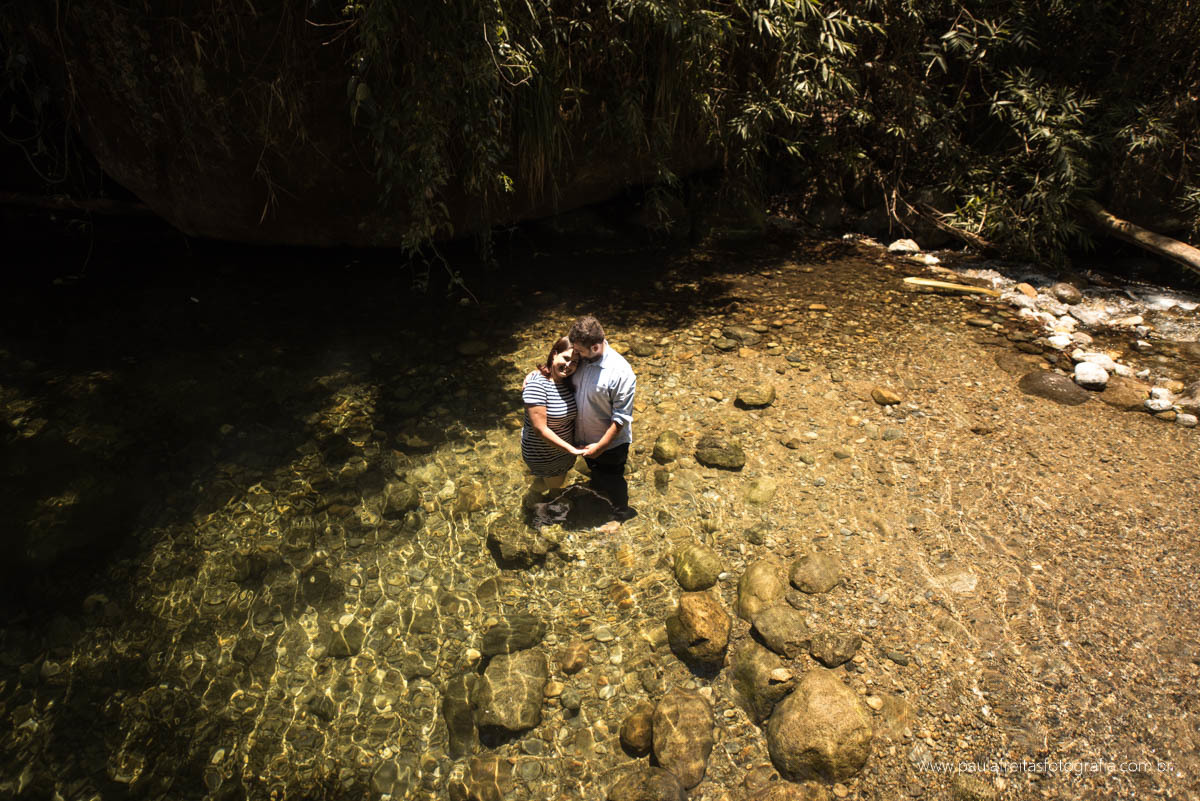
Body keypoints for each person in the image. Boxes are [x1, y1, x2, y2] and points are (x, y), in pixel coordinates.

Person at [569, 315, 637, 520]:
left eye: (579, 350)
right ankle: (598, 490)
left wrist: (600, 447)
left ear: (596, 347)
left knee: (614, 479)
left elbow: (620, 419)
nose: (575, 354)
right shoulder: (581, 356)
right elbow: (556, 363)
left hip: (610, 445)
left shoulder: (620, 373)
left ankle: (621, 514)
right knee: (598, 475)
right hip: (584, 440)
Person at [521, 336, 586, 503]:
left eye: (575, 362)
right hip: (544, 454)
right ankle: (540, 502)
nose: (569, 365)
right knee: (555, 486)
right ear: (554, 354)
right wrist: (571, 450)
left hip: (561, 451)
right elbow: (540, 429)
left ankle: (535, 495)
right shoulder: (537, 385)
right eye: (566, 358)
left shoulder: (564, 382)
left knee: (552, 480)